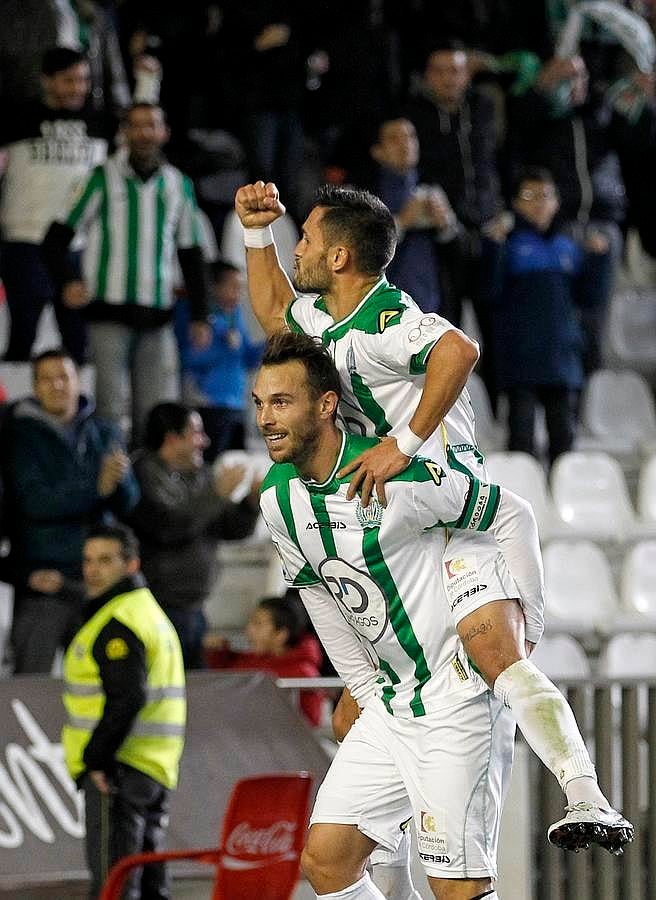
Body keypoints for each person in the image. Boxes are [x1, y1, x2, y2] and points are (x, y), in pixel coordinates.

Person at [235, 181, 634, 859]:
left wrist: (404, 442)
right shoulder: (329, 325)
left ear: (337, 257)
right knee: (357, 714)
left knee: (492, 650)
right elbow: (275, 310)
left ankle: (585, 794)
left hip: (450, 511)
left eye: (304, 237)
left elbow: (460, 351)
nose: (295, 248)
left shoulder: (389, 320)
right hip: (397, 529)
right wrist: (255, 233)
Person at [42, 102, 212, 442]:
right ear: (125, 132)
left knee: (156, 414)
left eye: (152, 125)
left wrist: (200, 314)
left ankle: (149, 491)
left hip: (157, 317)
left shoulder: (178, 184)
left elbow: (191, 253)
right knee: (110, 409)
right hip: (108, 315)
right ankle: (114, 486)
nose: (144, 133)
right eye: (136, 126)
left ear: (164, 132)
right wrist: (68, 280)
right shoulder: (100, 177)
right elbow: (55, 238)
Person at [62, 523, 185, 900]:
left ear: (131, 564)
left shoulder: (118, 622)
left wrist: (95, 760)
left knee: (113, 887)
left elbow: (127, 698)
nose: (92, 570)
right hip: (154, 767)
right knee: (149, 883)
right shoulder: (148, 612)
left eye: (105, 560)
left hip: (118, 770)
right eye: (87, 560)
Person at [2, 348, 139, 674]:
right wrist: (97, 488)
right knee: (31, 684)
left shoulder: (105, 432)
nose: (57, 385)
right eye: (47, 379)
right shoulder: (17, 437)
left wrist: (119, 483)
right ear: (35, 387)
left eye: (64, 376)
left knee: (103, 683)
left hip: (97, 585)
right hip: (42, 584)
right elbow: (35, 502)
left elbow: (129, 502)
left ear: (78, 381)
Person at [481, 167, 612, 465]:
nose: (539, 203)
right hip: (521, 360)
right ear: (515, 203)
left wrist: (599, 261)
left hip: (562, 357)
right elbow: (488, 292)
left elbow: (590, 299)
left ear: (556, 202)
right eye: (530, 196)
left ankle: (561, 501)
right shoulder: (509, 245)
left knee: (564, 441)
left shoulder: (568, 247)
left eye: (546, 195)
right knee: (521, 442)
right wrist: (493, 248)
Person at [129, 402, 260, 669]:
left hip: (195, 609)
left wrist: (250, 503)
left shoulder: (201, 475)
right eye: (197, 433)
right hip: (158, 607)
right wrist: (216, 495)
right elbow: (168, 526)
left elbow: (228, 530)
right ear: (172, 438)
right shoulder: (144, 474)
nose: (205, 441)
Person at [0, 47, 107, 364]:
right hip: (24, 238)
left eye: (84, 80)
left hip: (77, 244)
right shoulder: (18, 118)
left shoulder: (100, 122)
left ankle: (74, 406)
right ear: (47, 80)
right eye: (69, 80)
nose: (78, 88)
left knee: (77, 338)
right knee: (22, 332)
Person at [176, 259, 265, 462]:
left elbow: (245, 359)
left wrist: (270, 343)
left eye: (240, 288)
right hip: (206, 405)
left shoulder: (235, 315)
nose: (238, 294)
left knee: (236, 468)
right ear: (213, 287)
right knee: (210, 467)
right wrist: (222, 345)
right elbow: (186, 359)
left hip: (237, 405)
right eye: (233, 287)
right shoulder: (193, 314)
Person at [205, 593, 326, 727]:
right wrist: (217, 653)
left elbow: (310, 725)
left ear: (280, 634)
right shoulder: (247, 660)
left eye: (258, 624)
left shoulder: (303, 675)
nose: (249, 630)